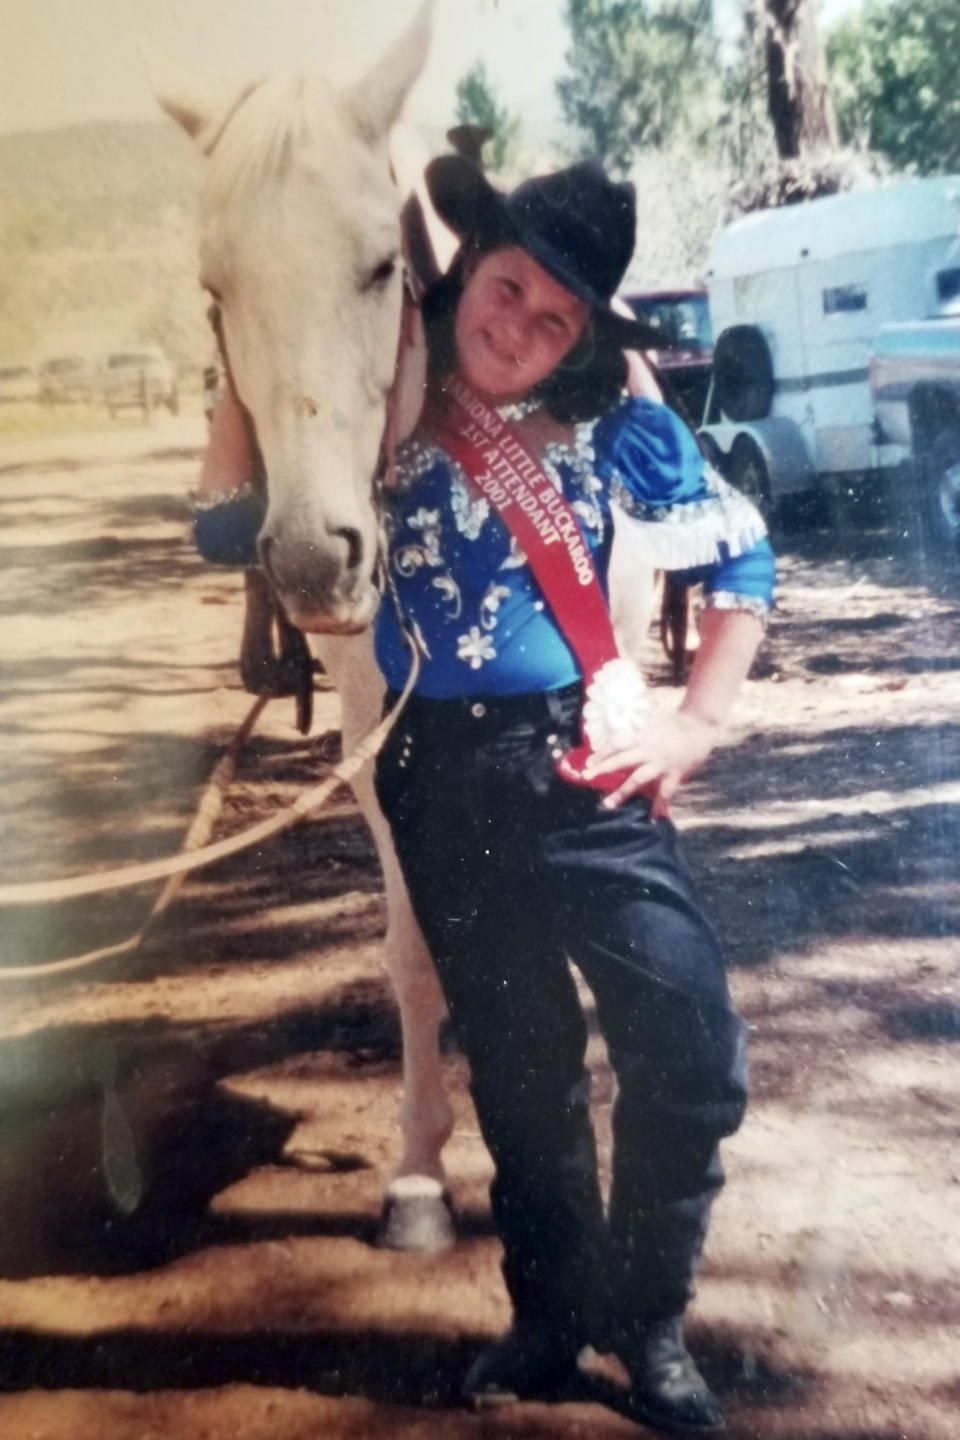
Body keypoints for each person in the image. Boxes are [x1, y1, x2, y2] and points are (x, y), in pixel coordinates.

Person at [195, 156, 775, 1435]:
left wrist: (698, 722)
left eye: (553, 316)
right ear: (469, 272)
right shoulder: (380, 404)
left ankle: (647, 1314)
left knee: (690, 1052)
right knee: (522, 1072)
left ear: (582, 333)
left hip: (583, 759)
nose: (517, 326)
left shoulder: (609, 410)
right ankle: (554, 1314)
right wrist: (236, 353)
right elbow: (231, 531)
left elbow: (742, 553)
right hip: (437, 780)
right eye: (505, 288)